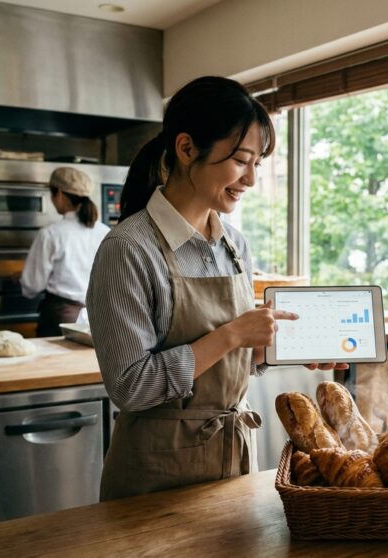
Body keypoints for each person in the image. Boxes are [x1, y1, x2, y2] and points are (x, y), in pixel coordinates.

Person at [87, 76, 344, 501]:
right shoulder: (128, 249)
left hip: (233, 462)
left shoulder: (234, 244)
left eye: (257, 163)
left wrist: (271, 350)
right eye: (241, 160)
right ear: (187, 148)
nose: (251, 179)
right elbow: (131, 387)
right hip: (155, 478)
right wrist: (232, 336)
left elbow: (226, 363)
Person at [20, 167, 109, 337]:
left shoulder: (50, 234)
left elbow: (32, 286)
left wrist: (21, 279)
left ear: (59, 194)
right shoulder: (105, 232)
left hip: (61, 318)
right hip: (97, 318)